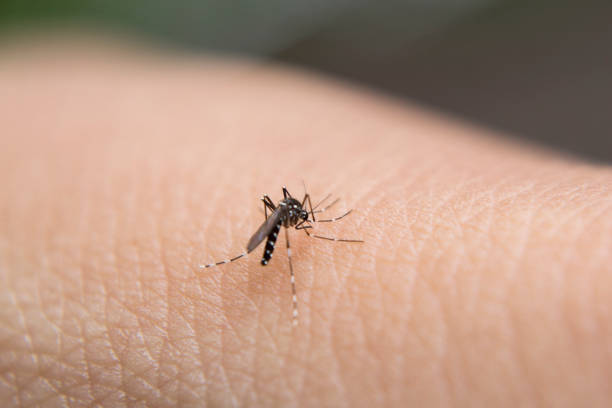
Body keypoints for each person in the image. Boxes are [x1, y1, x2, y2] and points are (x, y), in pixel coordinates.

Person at [1, 37, 610, 407]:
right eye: (301, 215)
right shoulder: (285, 225)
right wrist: (284, 238)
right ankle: (250, 258)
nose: (300, 215)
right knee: (282, 242)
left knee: (292, 210)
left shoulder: (296, 206)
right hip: (271, 243)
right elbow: (286, 219)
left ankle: (273, 243)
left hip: (282, 221)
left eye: (301, 216)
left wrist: (313, 219)